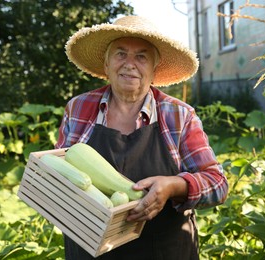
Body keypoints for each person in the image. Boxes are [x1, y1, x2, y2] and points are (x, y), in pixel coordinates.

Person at [55, 15, 228, 260]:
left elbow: (218, 184)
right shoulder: (79, 108)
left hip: (163, 251)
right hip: (89, 248)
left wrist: (173, 187)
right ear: (106, 65)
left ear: (154, 69)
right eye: (120, 54)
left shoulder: (179, 115)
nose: (130, 64)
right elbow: (58, 173)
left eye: (141, 56)